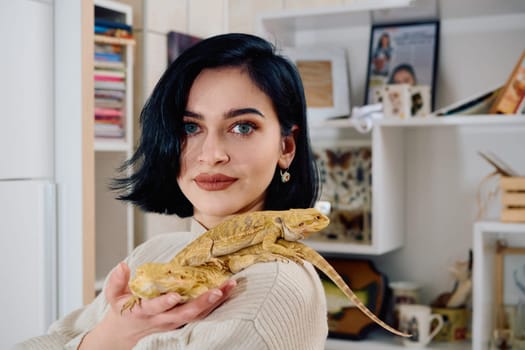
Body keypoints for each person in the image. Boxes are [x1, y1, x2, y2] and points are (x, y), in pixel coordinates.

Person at [16, 33, 328, 349]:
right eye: (190, 128)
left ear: (286, 146)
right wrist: (115, 333)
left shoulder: (272, 290)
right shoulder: (153, 253)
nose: (212, 154)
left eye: (242, 127)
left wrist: (106, 338)